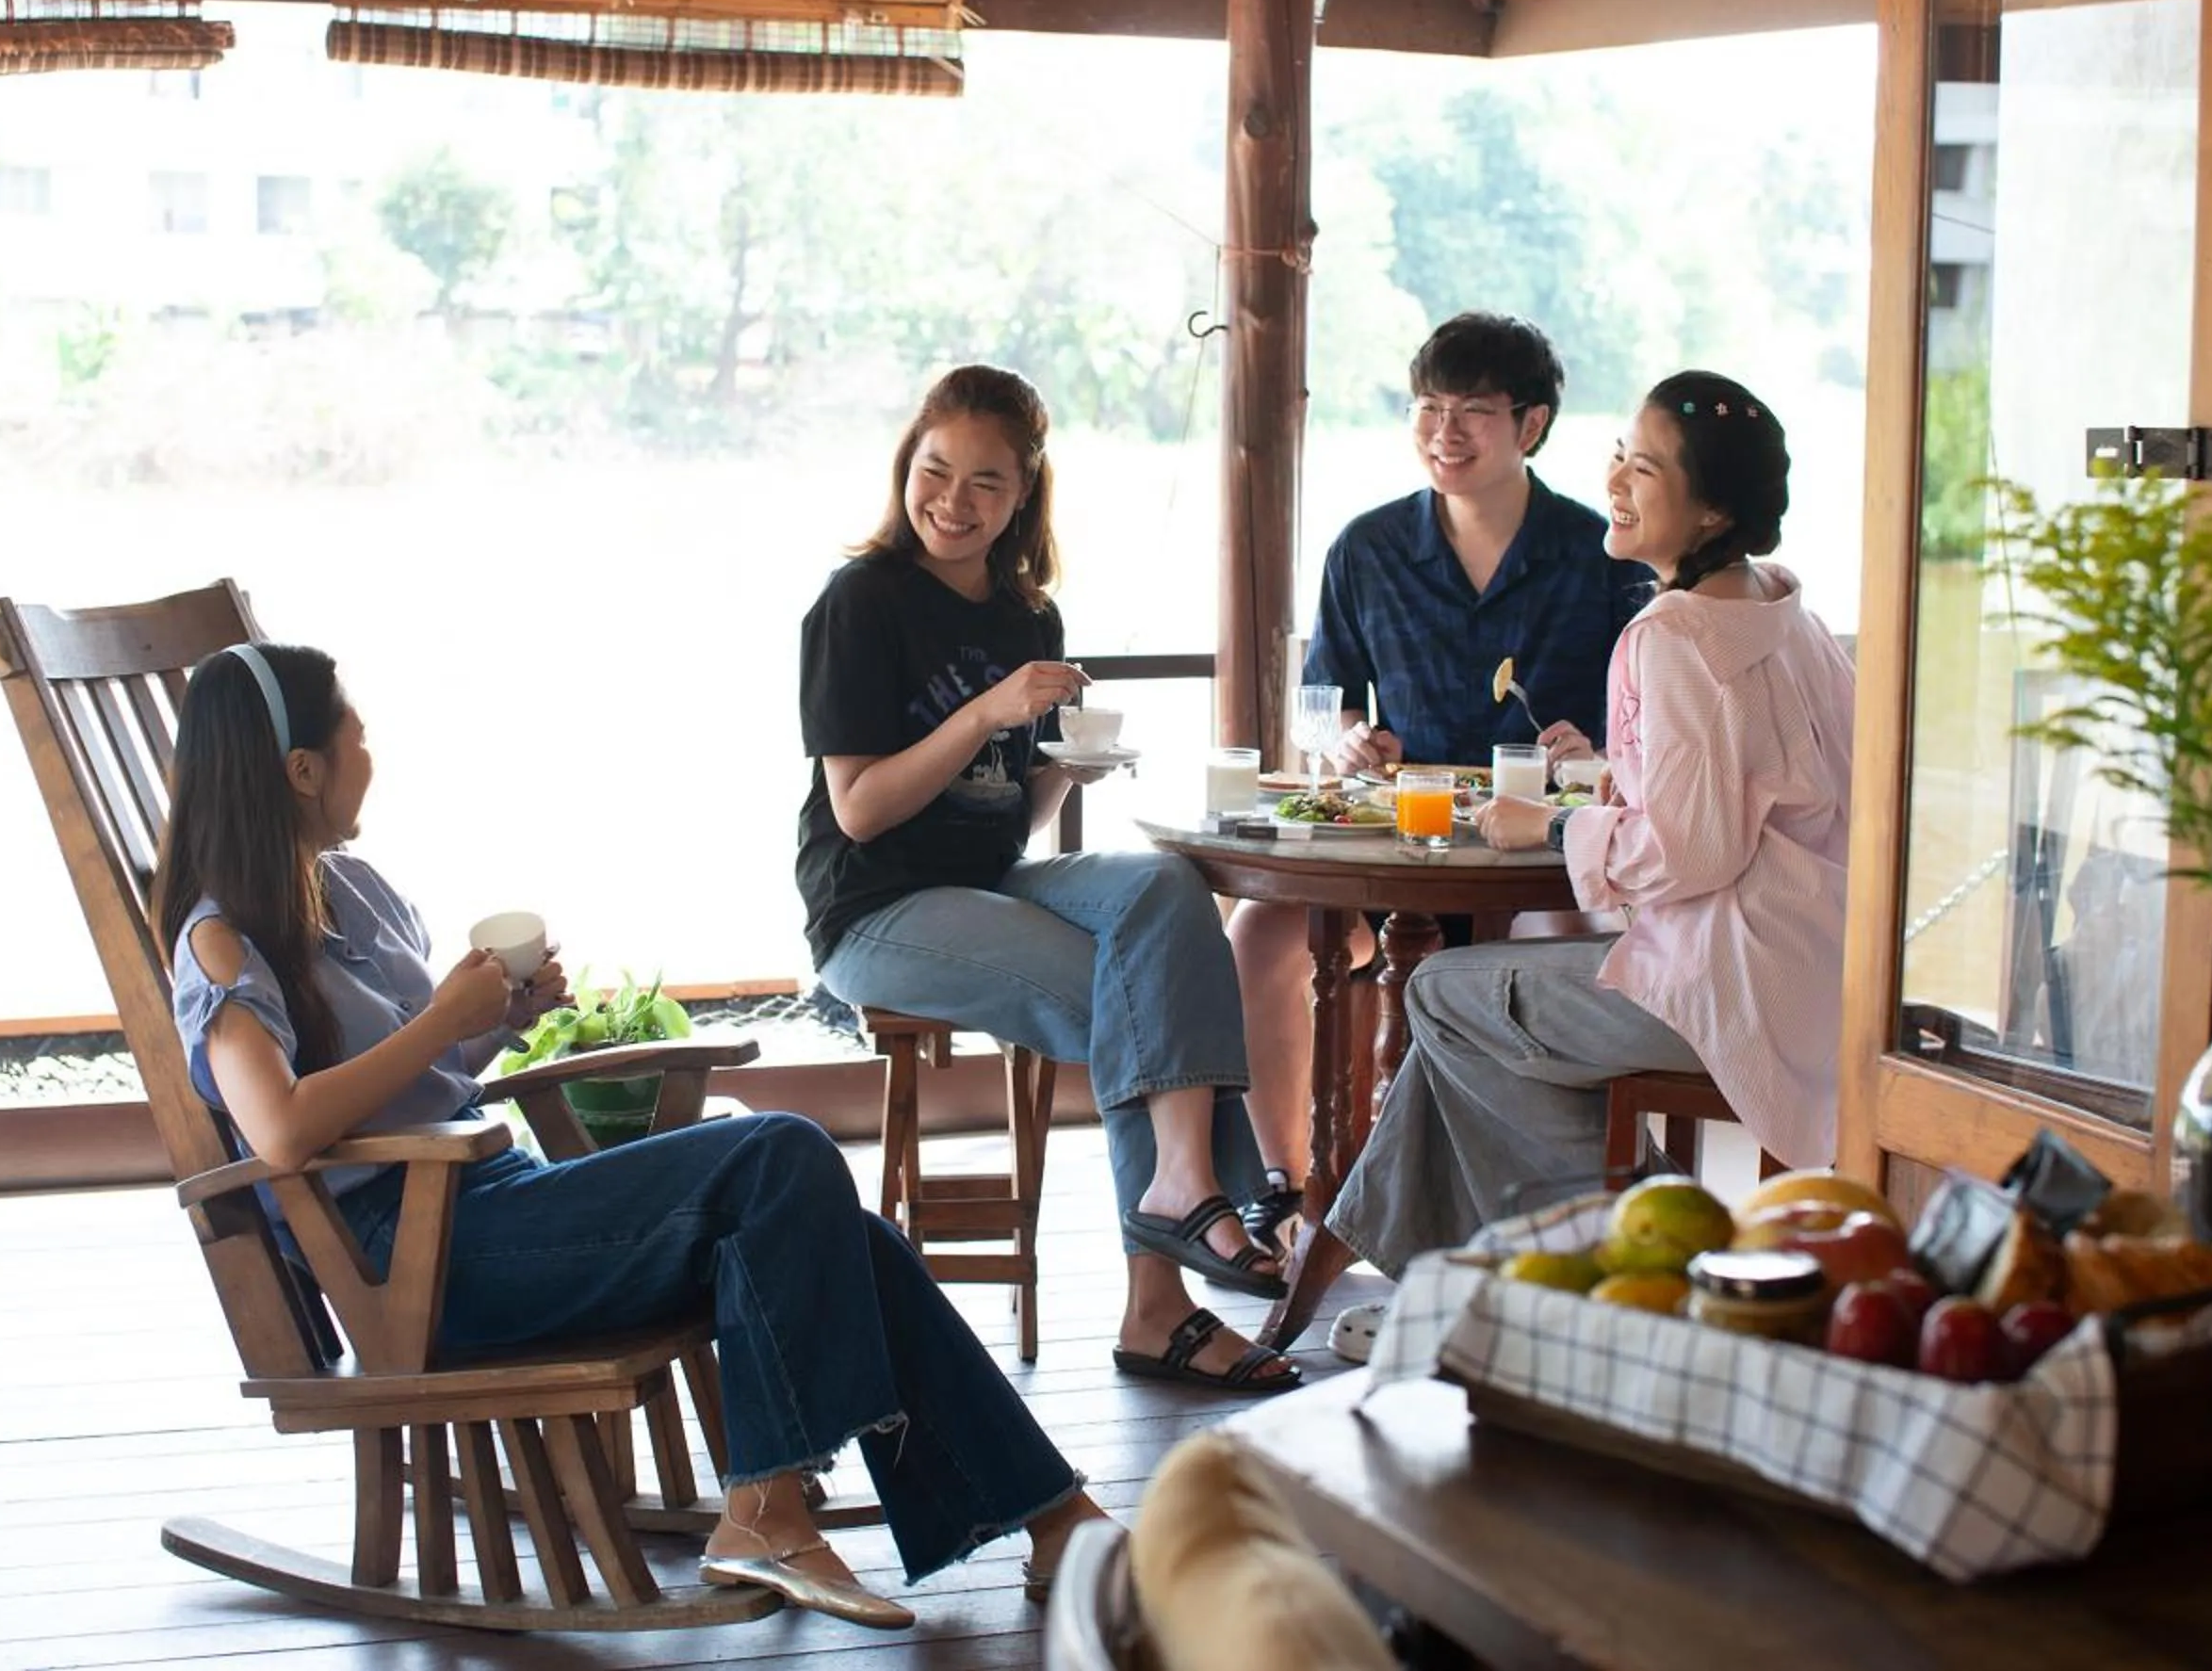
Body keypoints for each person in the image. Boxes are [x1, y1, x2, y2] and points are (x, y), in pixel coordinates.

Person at [157, 641, 1111, 1631]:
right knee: (781, 1155)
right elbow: (280, 1130)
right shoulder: (219, 943)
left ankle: (1049, 1518)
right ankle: (768, 1508)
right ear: (301, 769)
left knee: (847, 1238)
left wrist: (494, 1019)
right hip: (414, 1262)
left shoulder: (350, 890)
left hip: (491, 1202)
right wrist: (444, 1021)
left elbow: (412, 1080)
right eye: (356, 734)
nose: (369, 752)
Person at [797, 363, 1300, 1394]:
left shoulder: (1029, 617)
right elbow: (860, 810)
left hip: (986, 881)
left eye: (986, 482)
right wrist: (984, 712)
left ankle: (1183, 1201)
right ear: (907, 465)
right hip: (875, 908)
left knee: (1163, 890)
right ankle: (1175, 1268)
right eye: (934, 471)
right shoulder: (860, 604)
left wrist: (1062, 767)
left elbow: (1007, 814)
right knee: (1139, 1000)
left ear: (1024, 493)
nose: (952, 501)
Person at [1326, 369, 1856, 1275]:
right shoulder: (1783, 611)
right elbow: (1748, 788)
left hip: (1732, 987)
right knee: (1469, 1032)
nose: (1613, 482)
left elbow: (1692, 848)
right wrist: (1612, 776)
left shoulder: (1675, 634)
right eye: (1618, 455)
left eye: (1643, 470)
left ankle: (1651, 1251)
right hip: (1823, 972)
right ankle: (1436, 1281)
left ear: (1714, 512)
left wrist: (1554, 830)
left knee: (1443, 994)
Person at [1227, 314, 1654, 1241]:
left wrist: (1599, 756)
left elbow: (1651, 730)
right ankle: (1287, 1181)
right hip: (1402, 836)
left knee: (1568, 946)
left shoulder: (1602, 556)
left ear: (1531, 425)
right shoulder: (1368, 549)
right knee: (1261, 931)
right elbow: (1326, 704)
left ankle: (1553, 1206)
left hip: (1546, 853)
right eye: (1428, 408)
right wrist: (1347, 743)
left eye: (1473, 412)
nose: (1443, 433)